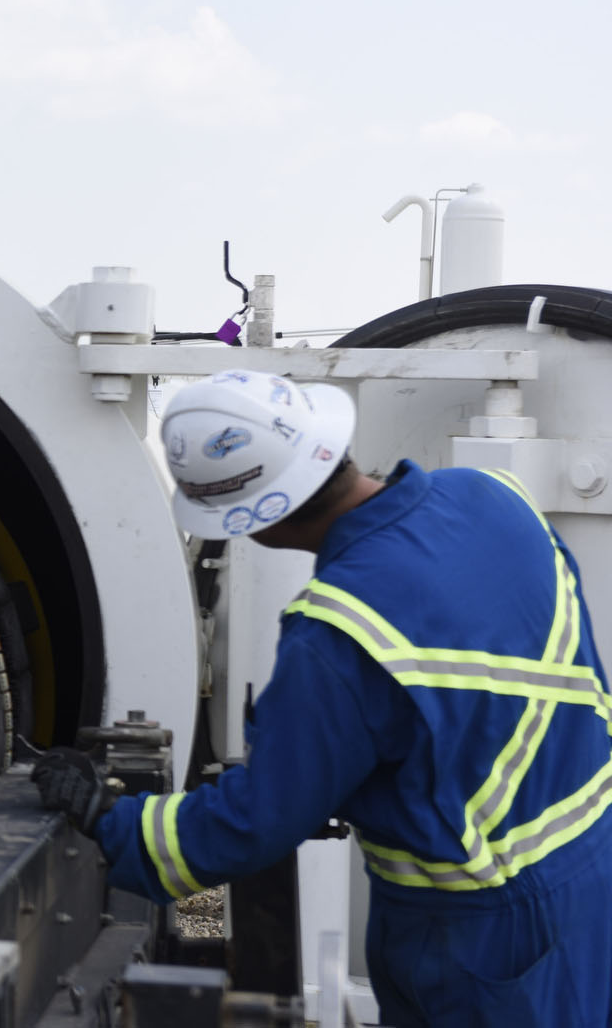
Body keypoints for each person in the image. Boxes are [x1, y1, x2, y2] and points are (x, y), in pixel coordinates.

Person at [33, 369, 612, 1025]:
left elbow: (255, 824)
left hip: (481, 941)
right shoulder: (493, 494)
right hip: (592, 873)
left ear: (258, 523)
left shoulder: (337, 634)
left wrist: (111, 818)